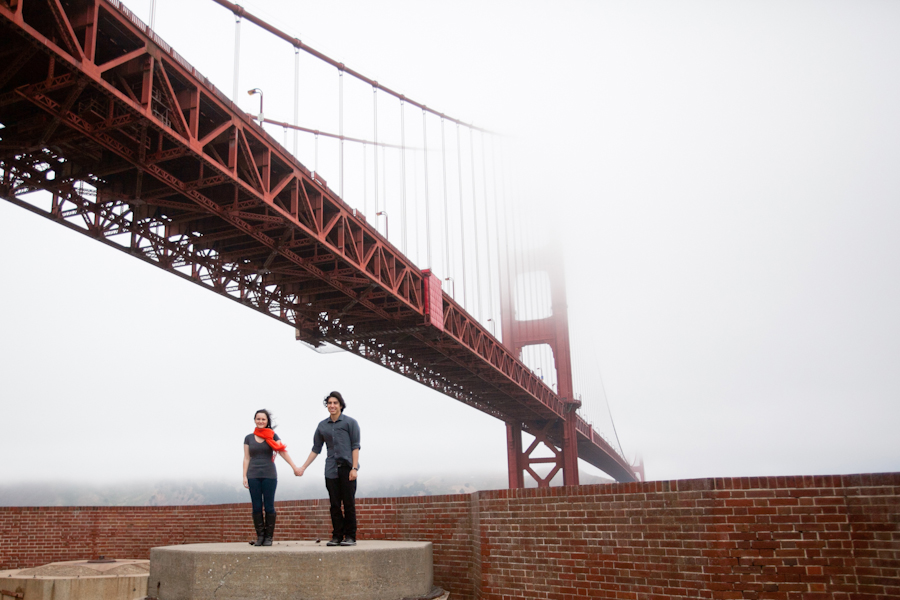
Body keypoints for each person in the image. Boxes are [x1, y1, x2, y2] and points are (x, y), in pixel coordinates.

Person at [296, 391, 361, 546]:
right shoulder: (322, 426)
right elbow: (316, 449)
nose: (332, 406)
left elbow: (355, 446)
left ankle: (350, 536)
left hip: (347, 468)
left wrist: (354, 468)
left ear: (341, 405)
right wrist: (303, 467)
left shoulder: (350, 423)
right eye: (329, 403)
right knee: (335, 505)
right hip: (331, 469)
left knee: (349, 503)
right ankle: (337, 536)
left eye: (335, 403)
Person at [243, 409, 301, 546]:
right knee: (256, 506)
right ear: (254, 420)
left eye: (263, 419)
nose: (260, 421)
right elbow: (246, 458)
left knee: (269, 505)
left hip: (269, 475)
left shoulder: (273, 436)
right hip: (253, 475)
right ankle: (260, 537)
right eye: (258, 419)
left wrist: (294, 467)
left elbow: (282, 452)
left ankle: (269, 537)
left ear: (267, 421)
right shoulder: (248, 438)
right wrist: (244, 476)